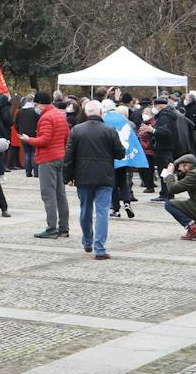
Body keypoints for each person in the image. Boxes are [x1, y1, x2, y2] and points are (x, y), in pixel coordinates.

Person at [65, 100, 126, 259]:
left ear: (86, 113)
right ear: (101, 113)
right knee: (102, 212)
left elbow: (69, 156)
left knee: (85, 209)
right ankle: (100, 249)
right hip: (104, 176)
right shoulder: (110, 130)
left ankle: (87, 241)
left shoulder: (77, 130)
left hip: (83, 176)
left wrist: (68, 177)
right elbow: (120, 153)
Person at [19, 90, 70, 238]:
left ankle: (51, 228)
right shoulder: (60, 115)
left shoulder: (46, 118)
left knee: (48, 194)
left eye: (36, 104)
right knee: (60, 194)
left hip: (48, 159)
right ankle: (63, 227)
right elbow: (67, 136)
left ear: (40, 103)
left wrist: (28, 139)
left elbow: (44, 140)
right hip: (60, 157)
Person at [102, 99, 145, 219]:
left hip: (110, 155)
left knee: (113, 183)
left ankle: (115, 208)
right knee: (122, 181)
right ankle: (127, 202)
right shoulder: (122, 120)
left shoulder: (104, 119)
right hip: (124, 154)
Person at [15, 94, 41, 178]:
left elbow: (15, 124)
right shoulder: (35, 111)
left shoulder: (20, 111)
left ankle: (28, 172)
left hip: (23, 135)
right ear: (33, 100)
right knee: (35, 153)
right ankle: (36, 172)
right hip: (34, 134)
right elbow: (40, 122)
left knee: (27, 153)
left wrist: (20, 131)